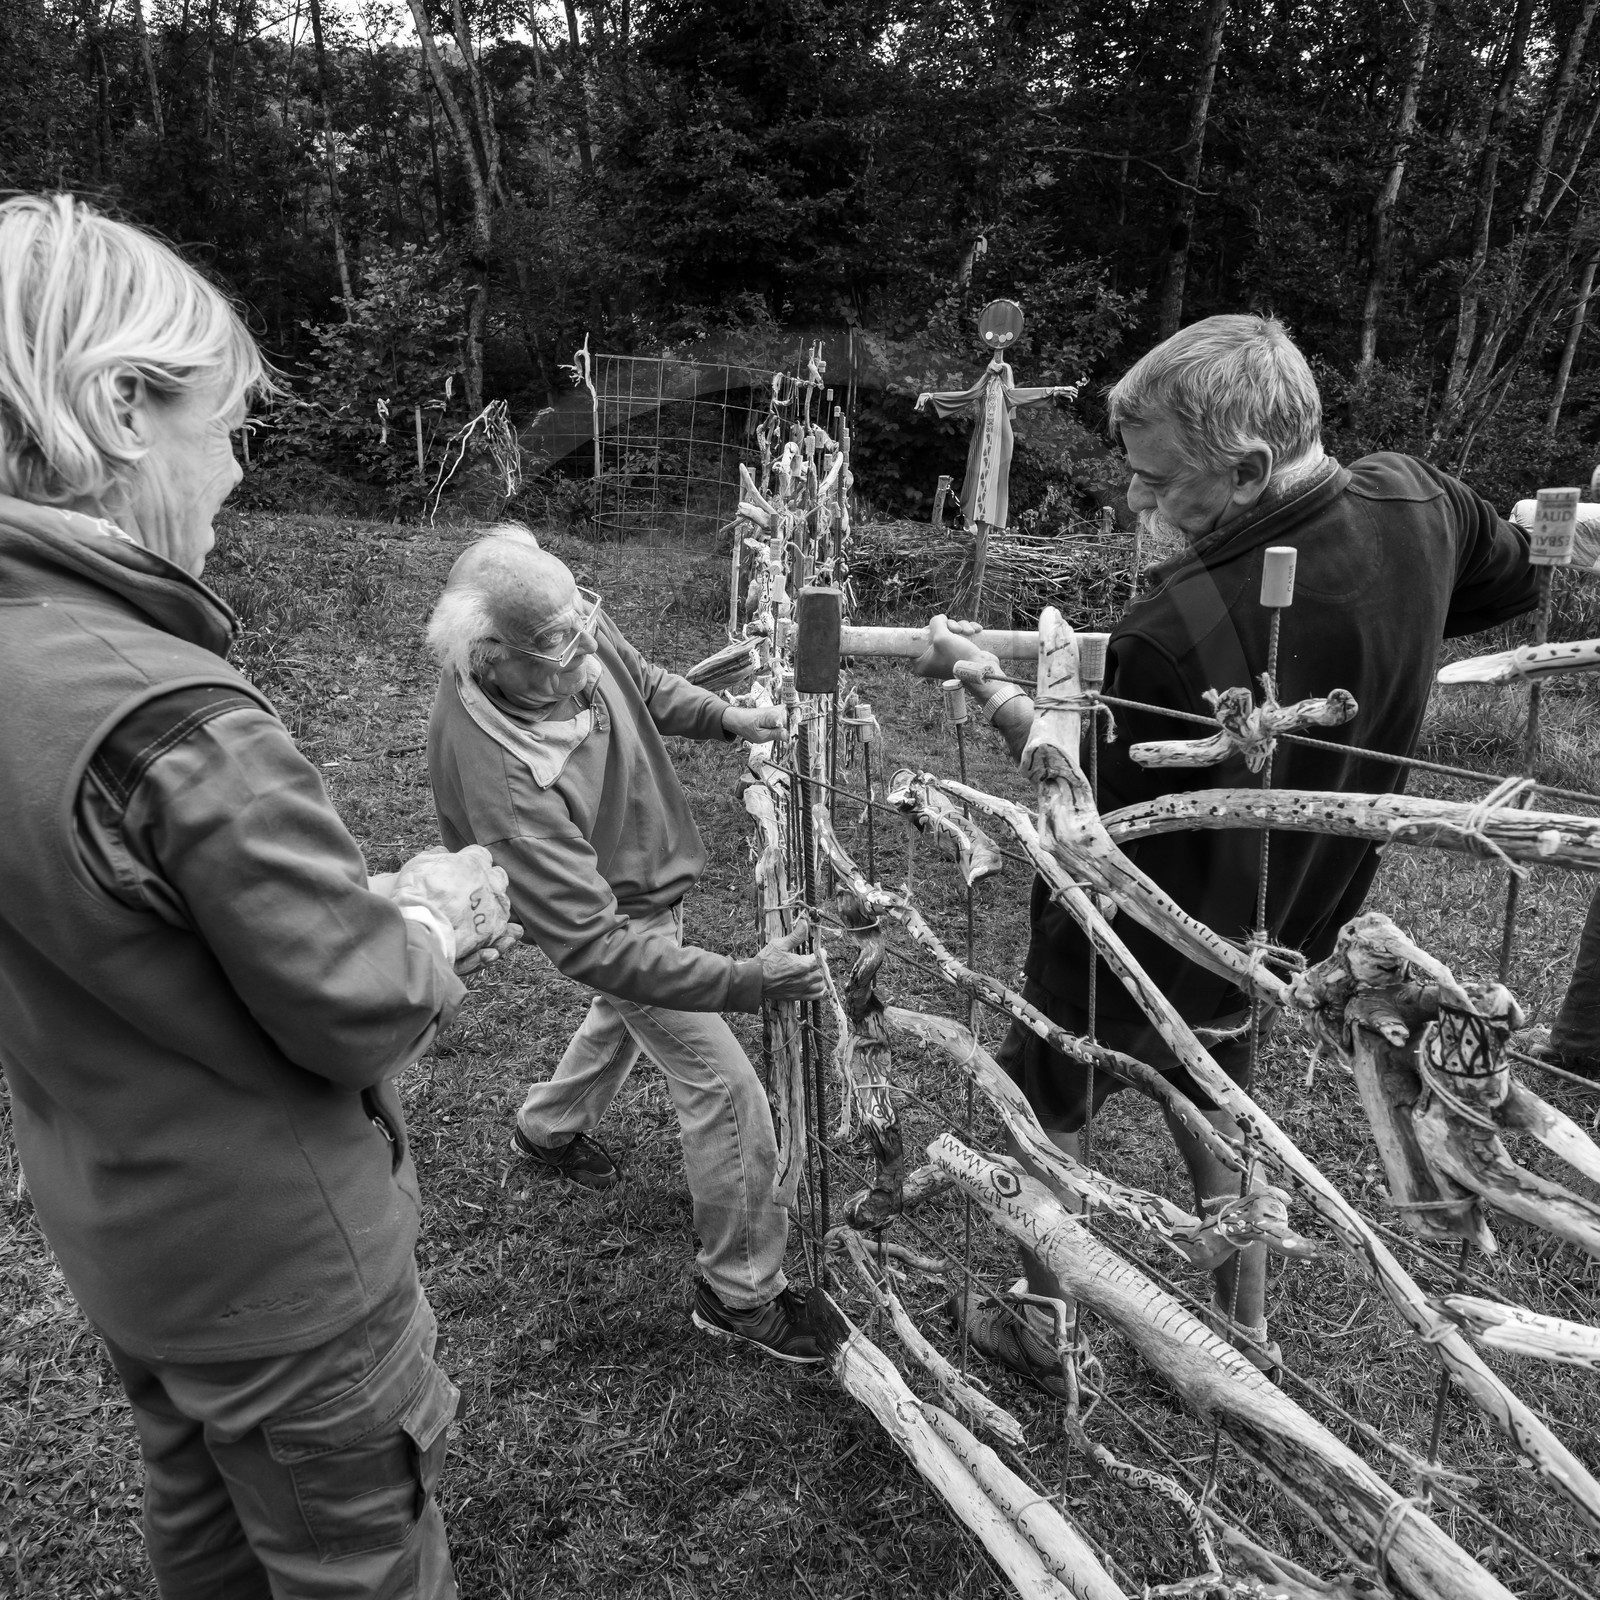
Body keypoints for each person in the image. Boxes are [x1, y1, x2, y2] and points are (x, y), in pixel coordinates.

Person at [0, 195, 519, 1599]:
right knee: (356, 1563)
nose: (236, 469)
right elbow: (351, 1011)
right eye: (224, 428)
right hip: (284, 1281)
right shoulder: (172, 713)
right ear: (118, 407)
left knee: (206, 1533)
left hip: (129, 1248)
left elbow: (109, 919)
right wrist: (432, 916)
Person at [915, 313, 1538, 1381]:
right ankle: (1247, 1337)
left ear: (1248, 469)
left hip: (1128, 932)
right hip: (1287, 920)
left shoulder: (1175, 625)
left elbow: (1086, 818)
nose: (1136, 502)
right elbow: (1511, 575)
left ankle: (1039, 1313)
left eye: (1158, 483)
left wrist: (1002, 700)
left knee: (1045, 1096)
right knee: (1225, 1096)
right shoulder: (1417, 501)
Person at [424, 529, 829, 1364]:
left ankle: (548, 1129)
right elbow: (597, 947)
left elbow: (638, 684)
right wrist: (749, 980)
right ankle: (740, 1291)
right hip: (614, 921)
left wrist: (726, 717)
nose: (579, 672)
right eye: (555, 666)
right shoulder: (503, 781)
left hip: (643, 892)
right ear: (487, 656)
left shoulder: (563, 626)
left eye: (582, 643)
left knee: (632, 1015)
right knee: (723, 1088)